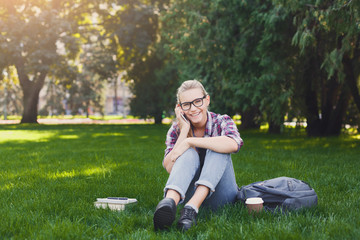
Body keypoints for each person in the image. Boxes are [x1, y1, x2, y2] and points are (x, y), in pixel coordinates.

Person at [153, 80, 243, 231]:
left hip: (222, 196)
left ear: (207, 100)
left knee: (217, 146)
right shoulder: (176, 129)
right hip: (187, 194)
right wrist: (184, 131)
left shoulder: (222, 121)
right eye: (186, 104)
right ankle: (169, 203)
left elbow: (233, 144)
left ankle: (191, 210)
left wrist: (190, 141)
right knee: (188, 153)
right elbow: (170, 167)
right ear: (179, 108)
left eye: (197, 102)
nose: (193, 109)